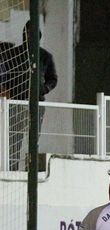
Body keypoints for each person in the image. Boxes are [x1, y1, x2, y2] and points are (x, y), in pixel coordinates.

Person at [2, 20, 58, 170]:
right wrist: (6, 91)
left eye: (32, 33)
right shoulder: (13, 54)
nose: (29, 36)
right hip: (16, 103)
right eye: (27, 33)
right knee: (14, 138)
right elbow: (5, 76)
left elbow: (53, 79)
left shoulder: (45, 56)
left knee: (33, 139)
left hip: (36, 104)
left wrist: (43, 89)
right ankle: (12, 168)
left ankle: (30, 169)